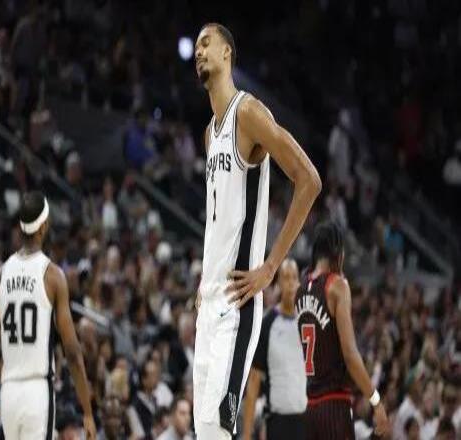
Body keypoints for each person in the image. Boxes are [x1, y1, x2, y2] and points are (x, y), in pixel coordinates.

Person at [193, 22, 321, 440]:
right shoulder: (209, 134)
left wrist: (269, 267)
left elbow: (309, 180)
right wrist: (204, 280)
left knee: (216, 430)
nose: (199, 51)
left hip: (237, 302)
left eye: (206, 43)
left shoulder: (248, 113)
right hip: (209, 302)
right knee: (205, 433)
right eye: (196, 47)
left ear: (227, 53)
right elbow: (219, 219)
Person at [0, 191, 96, 439]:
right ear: (43, 226)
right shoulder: (53, 276)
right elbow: (72, 351)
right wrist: (87, 411)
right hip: (37, 392)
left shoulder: (1, 275)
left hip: (9, 393)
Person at [296, 221, 389, 439]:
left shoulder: (301, 290)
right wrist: (376, 401)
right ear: (338, 252)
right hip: (334, 406)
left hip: (310, 409)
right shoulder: (337, 285)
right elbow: (350, 354)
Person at [242, 259, 307, 440]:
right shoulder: (268, 323)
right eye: (286, 277)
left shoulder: (308, 322)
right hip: (277, 421)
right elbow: (254, 381)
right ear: (278, 283)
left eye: (294, 277)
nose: (291, 283)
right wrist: (247, 434)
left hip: (306, 419)